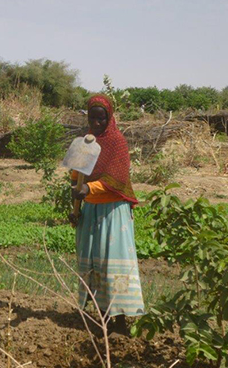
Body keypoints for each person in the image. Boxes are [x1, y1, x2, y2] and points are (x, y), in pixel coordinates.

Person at [69, 94, 145, 335]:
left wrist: (88, 188)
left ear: (109, 117)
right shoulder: (84, 143)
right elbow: (75, 178)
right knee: (95, 264)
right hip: (90, 210)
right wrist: (75, 207)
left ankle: (120, 324)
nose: (97, 122)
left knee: (113, 265)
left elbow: (117, 180)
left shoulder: (117, 143)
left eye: (101, 118)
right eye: (92, 117)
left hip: (113, 211)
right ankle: (102, 321)